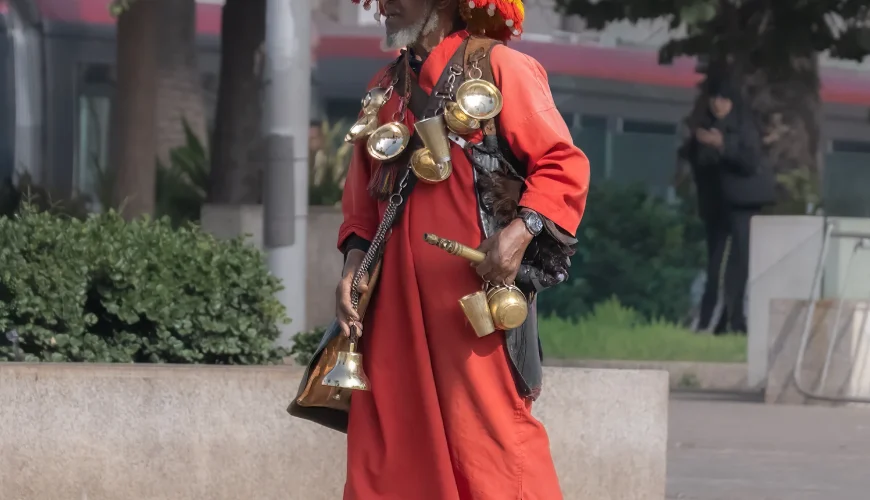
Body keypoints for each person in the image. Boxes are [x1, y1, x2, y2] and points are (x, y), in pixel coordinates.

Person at [330, 0, 590, 497]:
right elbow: (362, 205)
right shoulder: (383, 88)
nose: (383, 5)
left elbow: (563, 165)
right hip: (392, 311)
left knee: (490, 448)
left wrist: (518, 235)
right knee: (386, 455)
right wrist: (352, 269)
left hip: (473, 308)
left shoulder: (502, 68)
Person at [687, 77, 776, 334]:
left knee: (738, 265)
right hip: (717, 205)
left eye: (724, 99)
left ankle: (733, 320)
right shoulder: (706, 126)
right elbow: (699, 164)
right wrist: (702, 145)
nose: (718, 104)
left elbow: (750, 162)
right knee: (714, 266)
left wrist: (723, 146)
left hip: (744, 205)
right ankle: (708, 320)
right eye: (715, 99)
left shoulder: (745, 127)